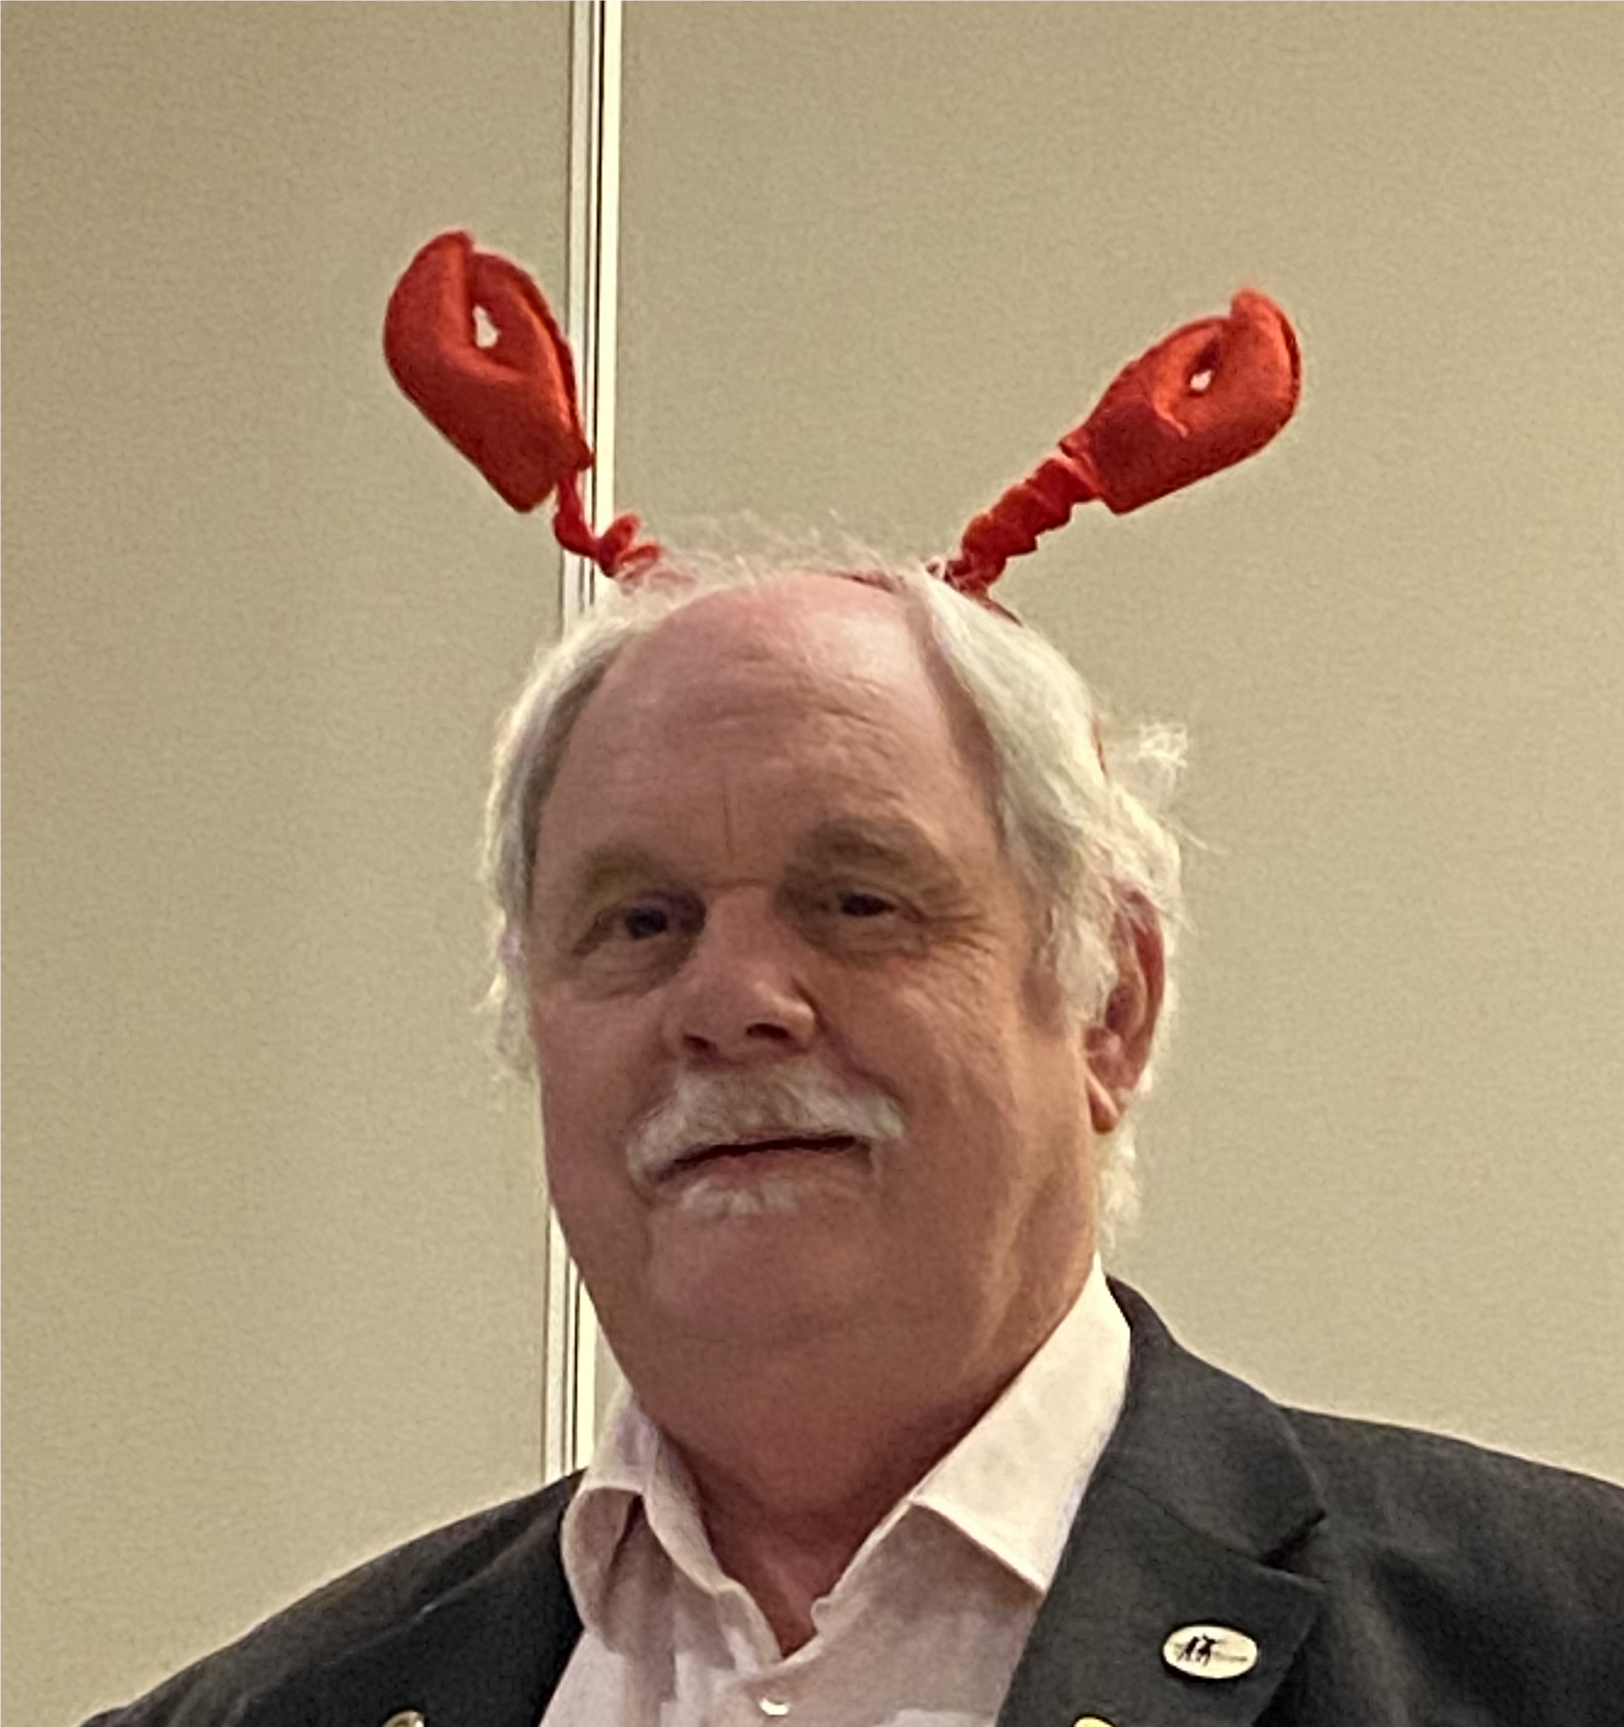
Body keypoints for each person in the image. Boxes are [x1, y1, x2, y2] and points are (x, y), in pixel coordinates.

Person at [79, 238, 1624, 1723]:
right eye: (640, 922)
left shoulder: (1562, 1647)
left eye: (860, 903)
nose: (733, 999)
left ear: (1110, 1000)